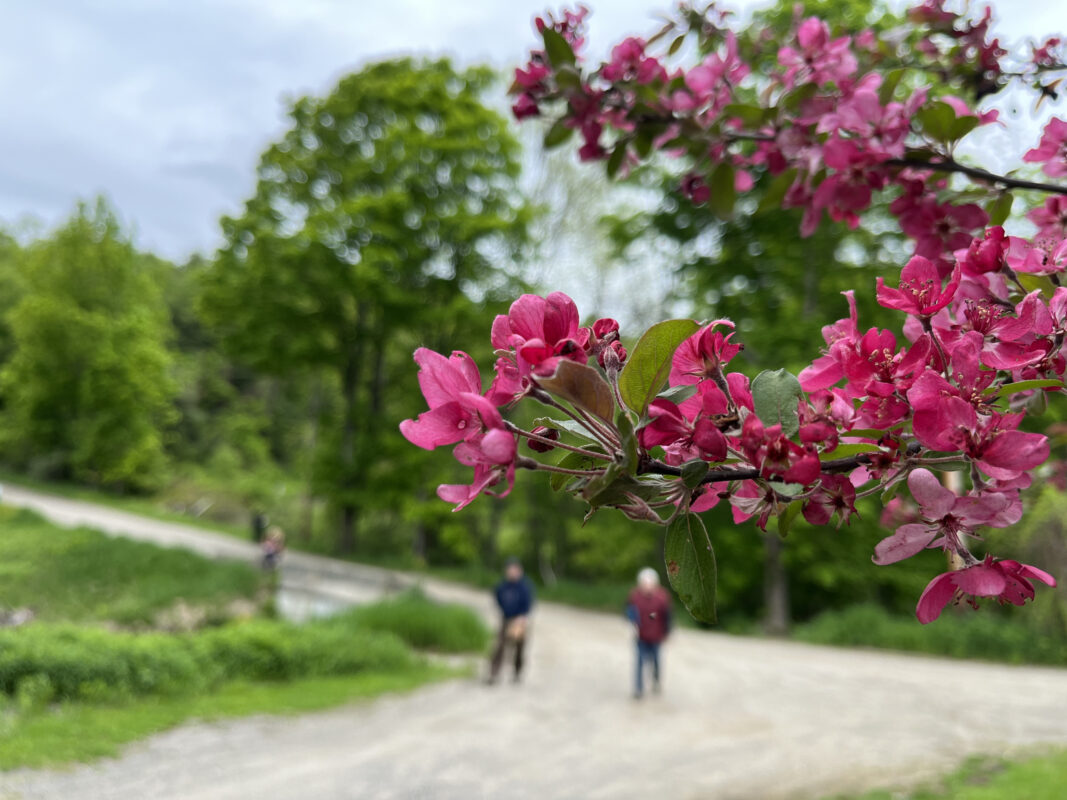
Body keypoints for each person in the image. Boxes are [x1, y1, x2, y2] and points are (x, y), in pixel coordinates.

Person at [626, 567, 672, 699]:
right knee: (639, 662)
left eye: (649, 583)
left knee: (656, 660)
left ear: (655, 583)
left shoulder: (662, 597)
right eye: (644, 583)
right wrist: (632, 621)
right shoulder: (634, 596)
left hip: (656, 636)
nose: (647, 586)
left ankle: (656, 679)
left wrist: (667, 631)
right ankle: (638, 689)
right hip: (641, 636)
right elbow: (629, 611)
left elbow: (667, 616)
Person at [487, 557, 535, 684]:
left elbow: (529, 603)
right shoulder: (502, 586)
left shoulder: (525, 587)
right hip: (506, 619)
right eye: (509, 569)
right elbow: (497, 599)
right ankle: (494, 673)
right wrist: (504, 611)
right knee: (500, 645)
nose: (511, 572)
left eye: (514, 569)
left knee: (519, 648)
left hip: (520, 620)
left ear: (519, 570)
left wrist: (523, 617)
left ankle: (517, 673)